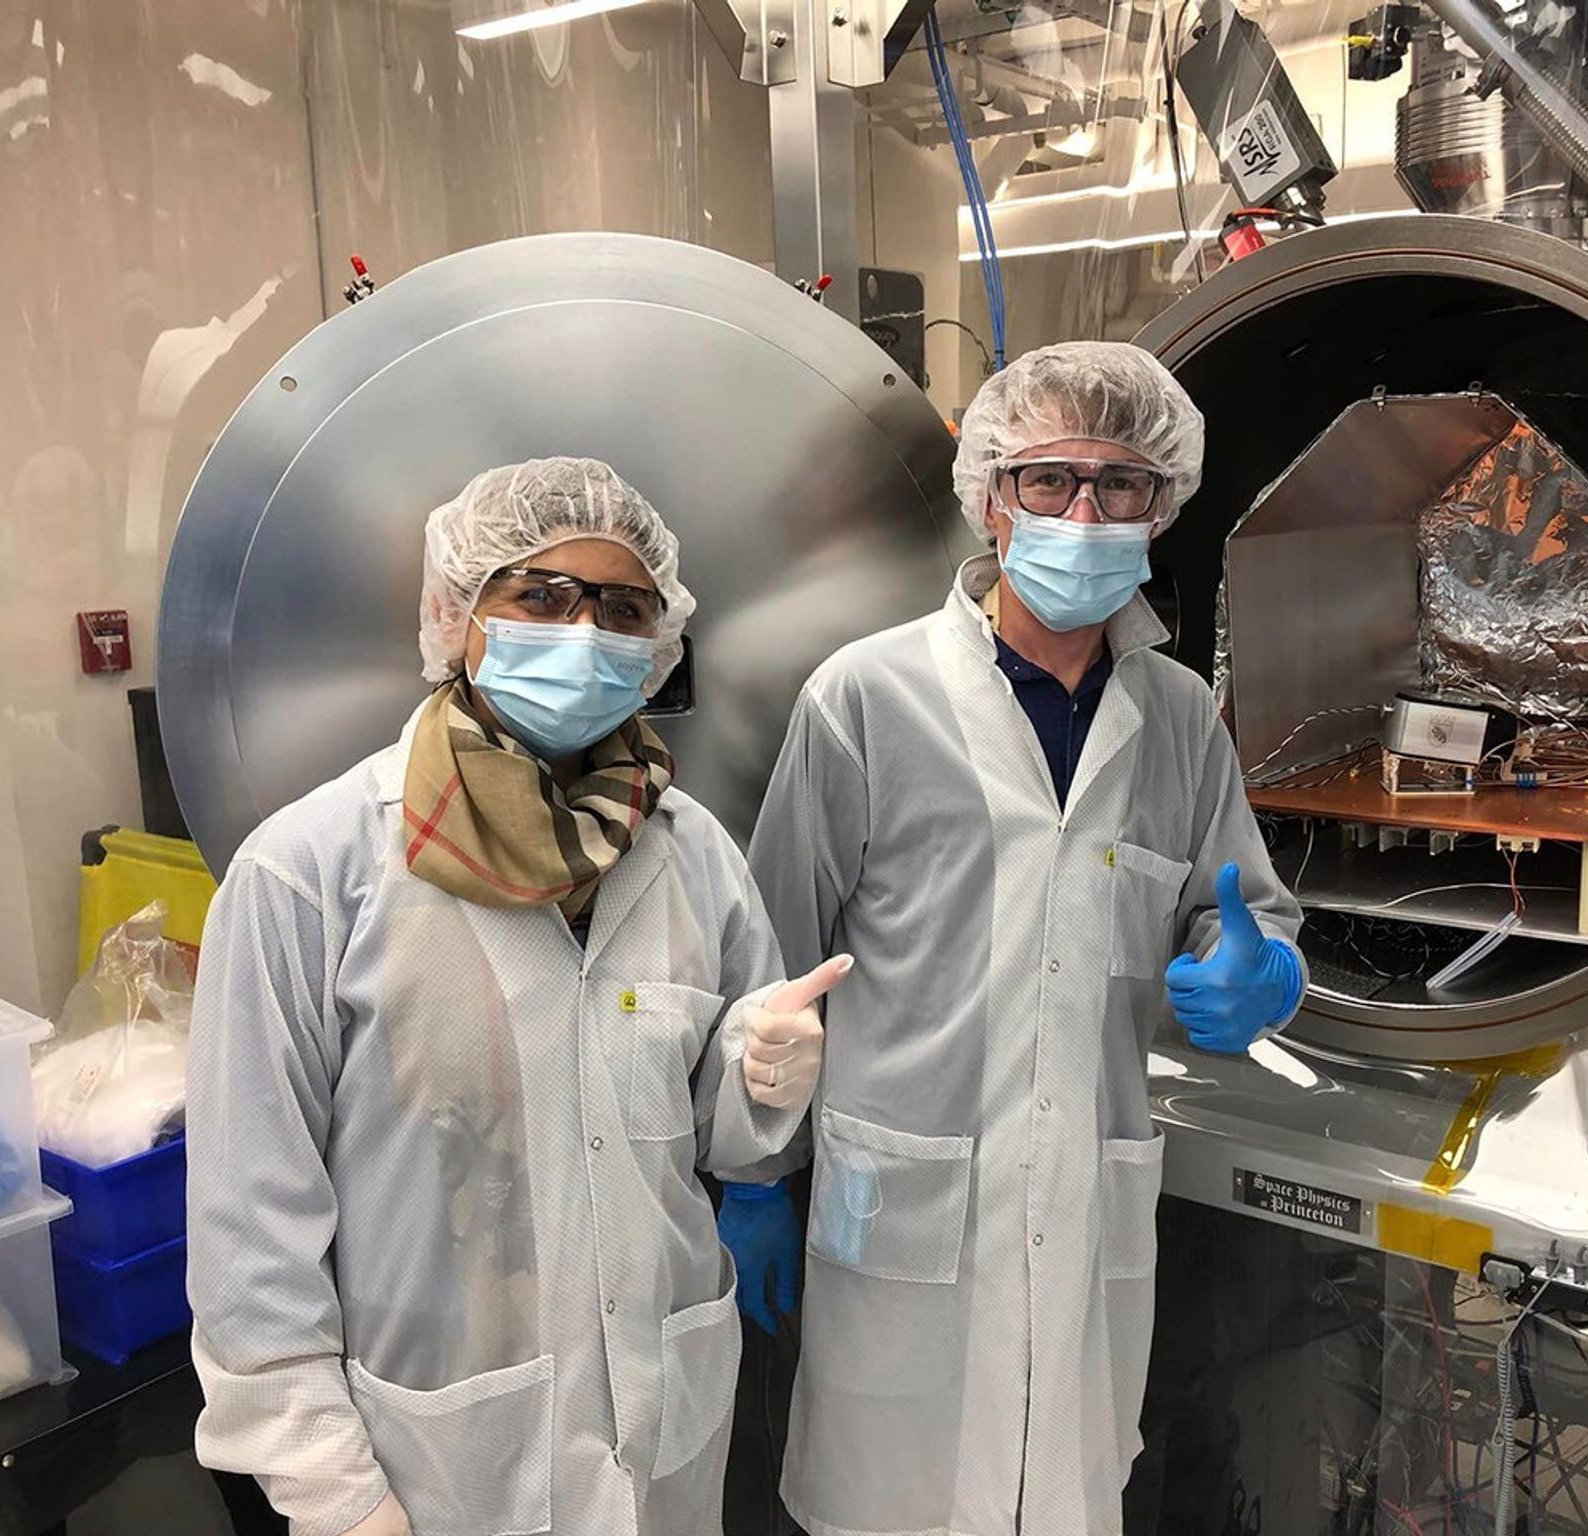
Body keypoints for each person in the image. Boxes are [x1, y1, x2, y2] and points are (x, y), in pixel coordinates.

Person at [186, 457, 847, 1536]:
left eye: (623, 607)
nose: (584, 631)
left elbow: (713, 1144)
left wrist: (760, 1080)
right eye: (540, 595)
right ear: (456, 616)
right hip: (436, 1467)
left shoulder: (688, 854)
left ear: (659, 645)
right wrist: (336, 1496)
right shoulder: (310, 875)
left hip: (659, 1446)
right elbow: (249, 1238)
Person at [746, 341, 1308, 1536]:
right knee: (883, 1503)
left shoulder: (1178, 720)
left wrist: (1256, 962)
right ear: (991, 496)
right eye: (1050, 479)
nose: (1083, 512)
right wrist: (747, 1178)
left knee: (1059, 1494)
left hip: (1082, 1213)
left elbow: (1233, 902)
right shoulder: (863, 698)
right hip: (899, 1214)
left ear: (1162, 509)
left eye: (1121, 485)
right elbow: (769, 967)